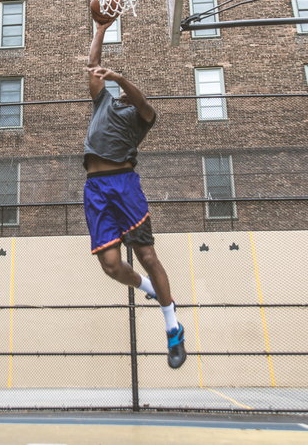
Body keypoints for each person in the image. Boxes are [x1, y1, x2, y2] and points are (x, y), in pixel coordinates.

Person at [83, 19, 186, 369]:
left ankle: (172, 328)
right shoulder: (103, 105)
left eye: (129, 93)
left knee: (148, 256)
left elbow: (144, 103)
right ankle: (149, 289)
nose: (125, 95)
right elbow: (92, 69)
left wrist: (122, 79)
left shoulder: (141, 118)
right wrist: (100, 27)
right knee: (111, 266)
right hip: (95, 189)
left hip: (125, 186)